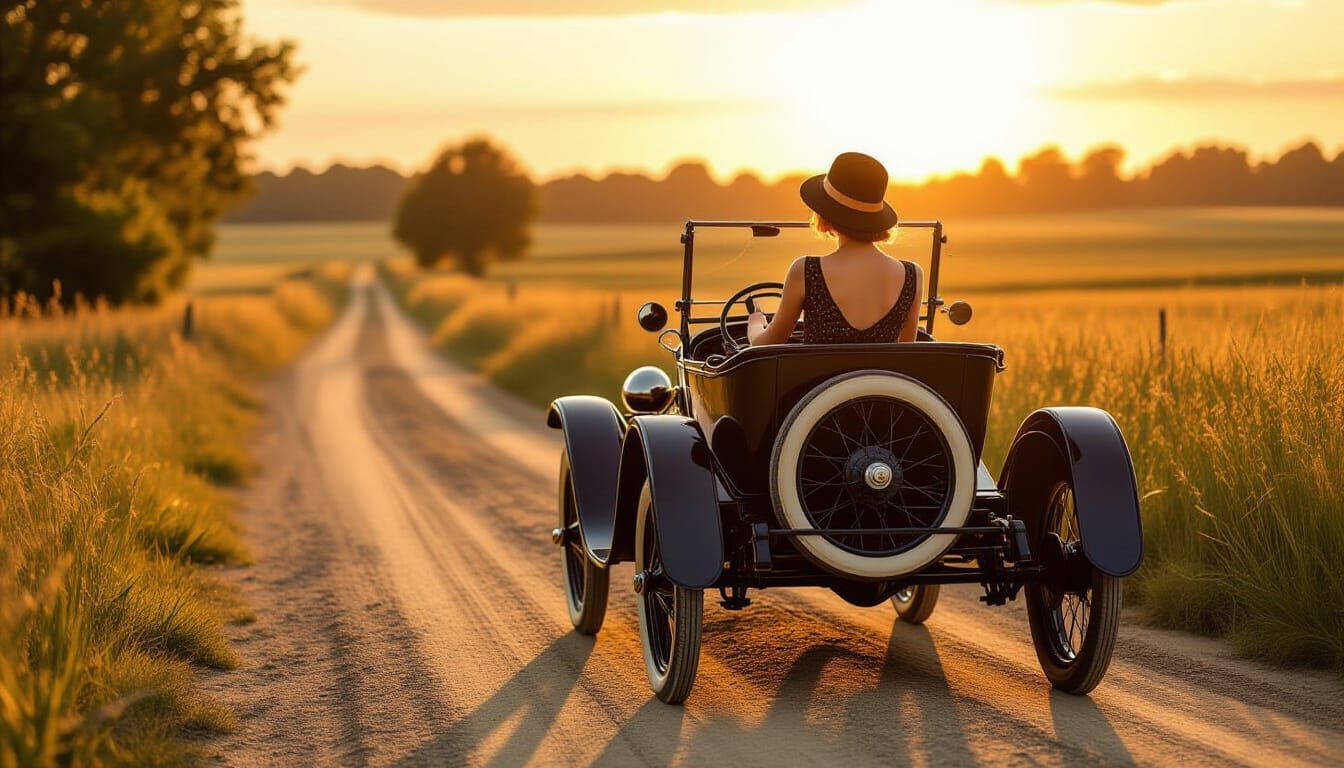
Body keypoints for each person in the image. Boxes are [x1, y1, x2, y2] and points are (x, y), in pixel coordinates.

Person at [746, 152, 922, 346]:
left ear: (824, 214)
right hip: (882, 377)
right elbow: (906, 353)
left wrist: (755, 325)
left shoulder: (805, 271)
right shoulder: (913, 275)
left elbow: (765, 346)